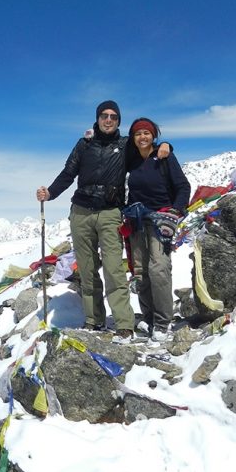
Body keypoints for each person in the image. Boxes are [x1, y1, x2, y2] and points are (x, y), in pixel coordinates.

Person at [36, 101, 170, 344]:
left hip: (110, 212)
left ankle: (124, 325)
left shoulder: (125, 145)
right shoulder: (84, 144)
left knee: (113, 269)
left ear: (118, 121)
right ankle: (94, 320)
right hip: (80, 212)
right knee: (87, 270)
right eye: (104, 116)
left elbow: (145, 148)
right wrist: (51, 193)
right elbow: (68, 173)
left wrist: (166, 146)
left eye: (114, 117)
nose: (108, 120)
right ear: (97, 119)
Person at [123, 118, 191, 343]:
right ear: (133, 138)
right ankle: (150, 318)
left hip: (160, 220)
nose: (142, 137)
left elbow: (183, 186)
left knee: (159, 268)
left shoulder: (164, 157)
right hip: (136, 220)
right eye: (138, 134)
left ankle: (163, 322)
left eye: (146, 133)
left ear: (153, 136)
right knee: (141, 271)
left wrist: (176, 211)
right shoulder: (131, 160)